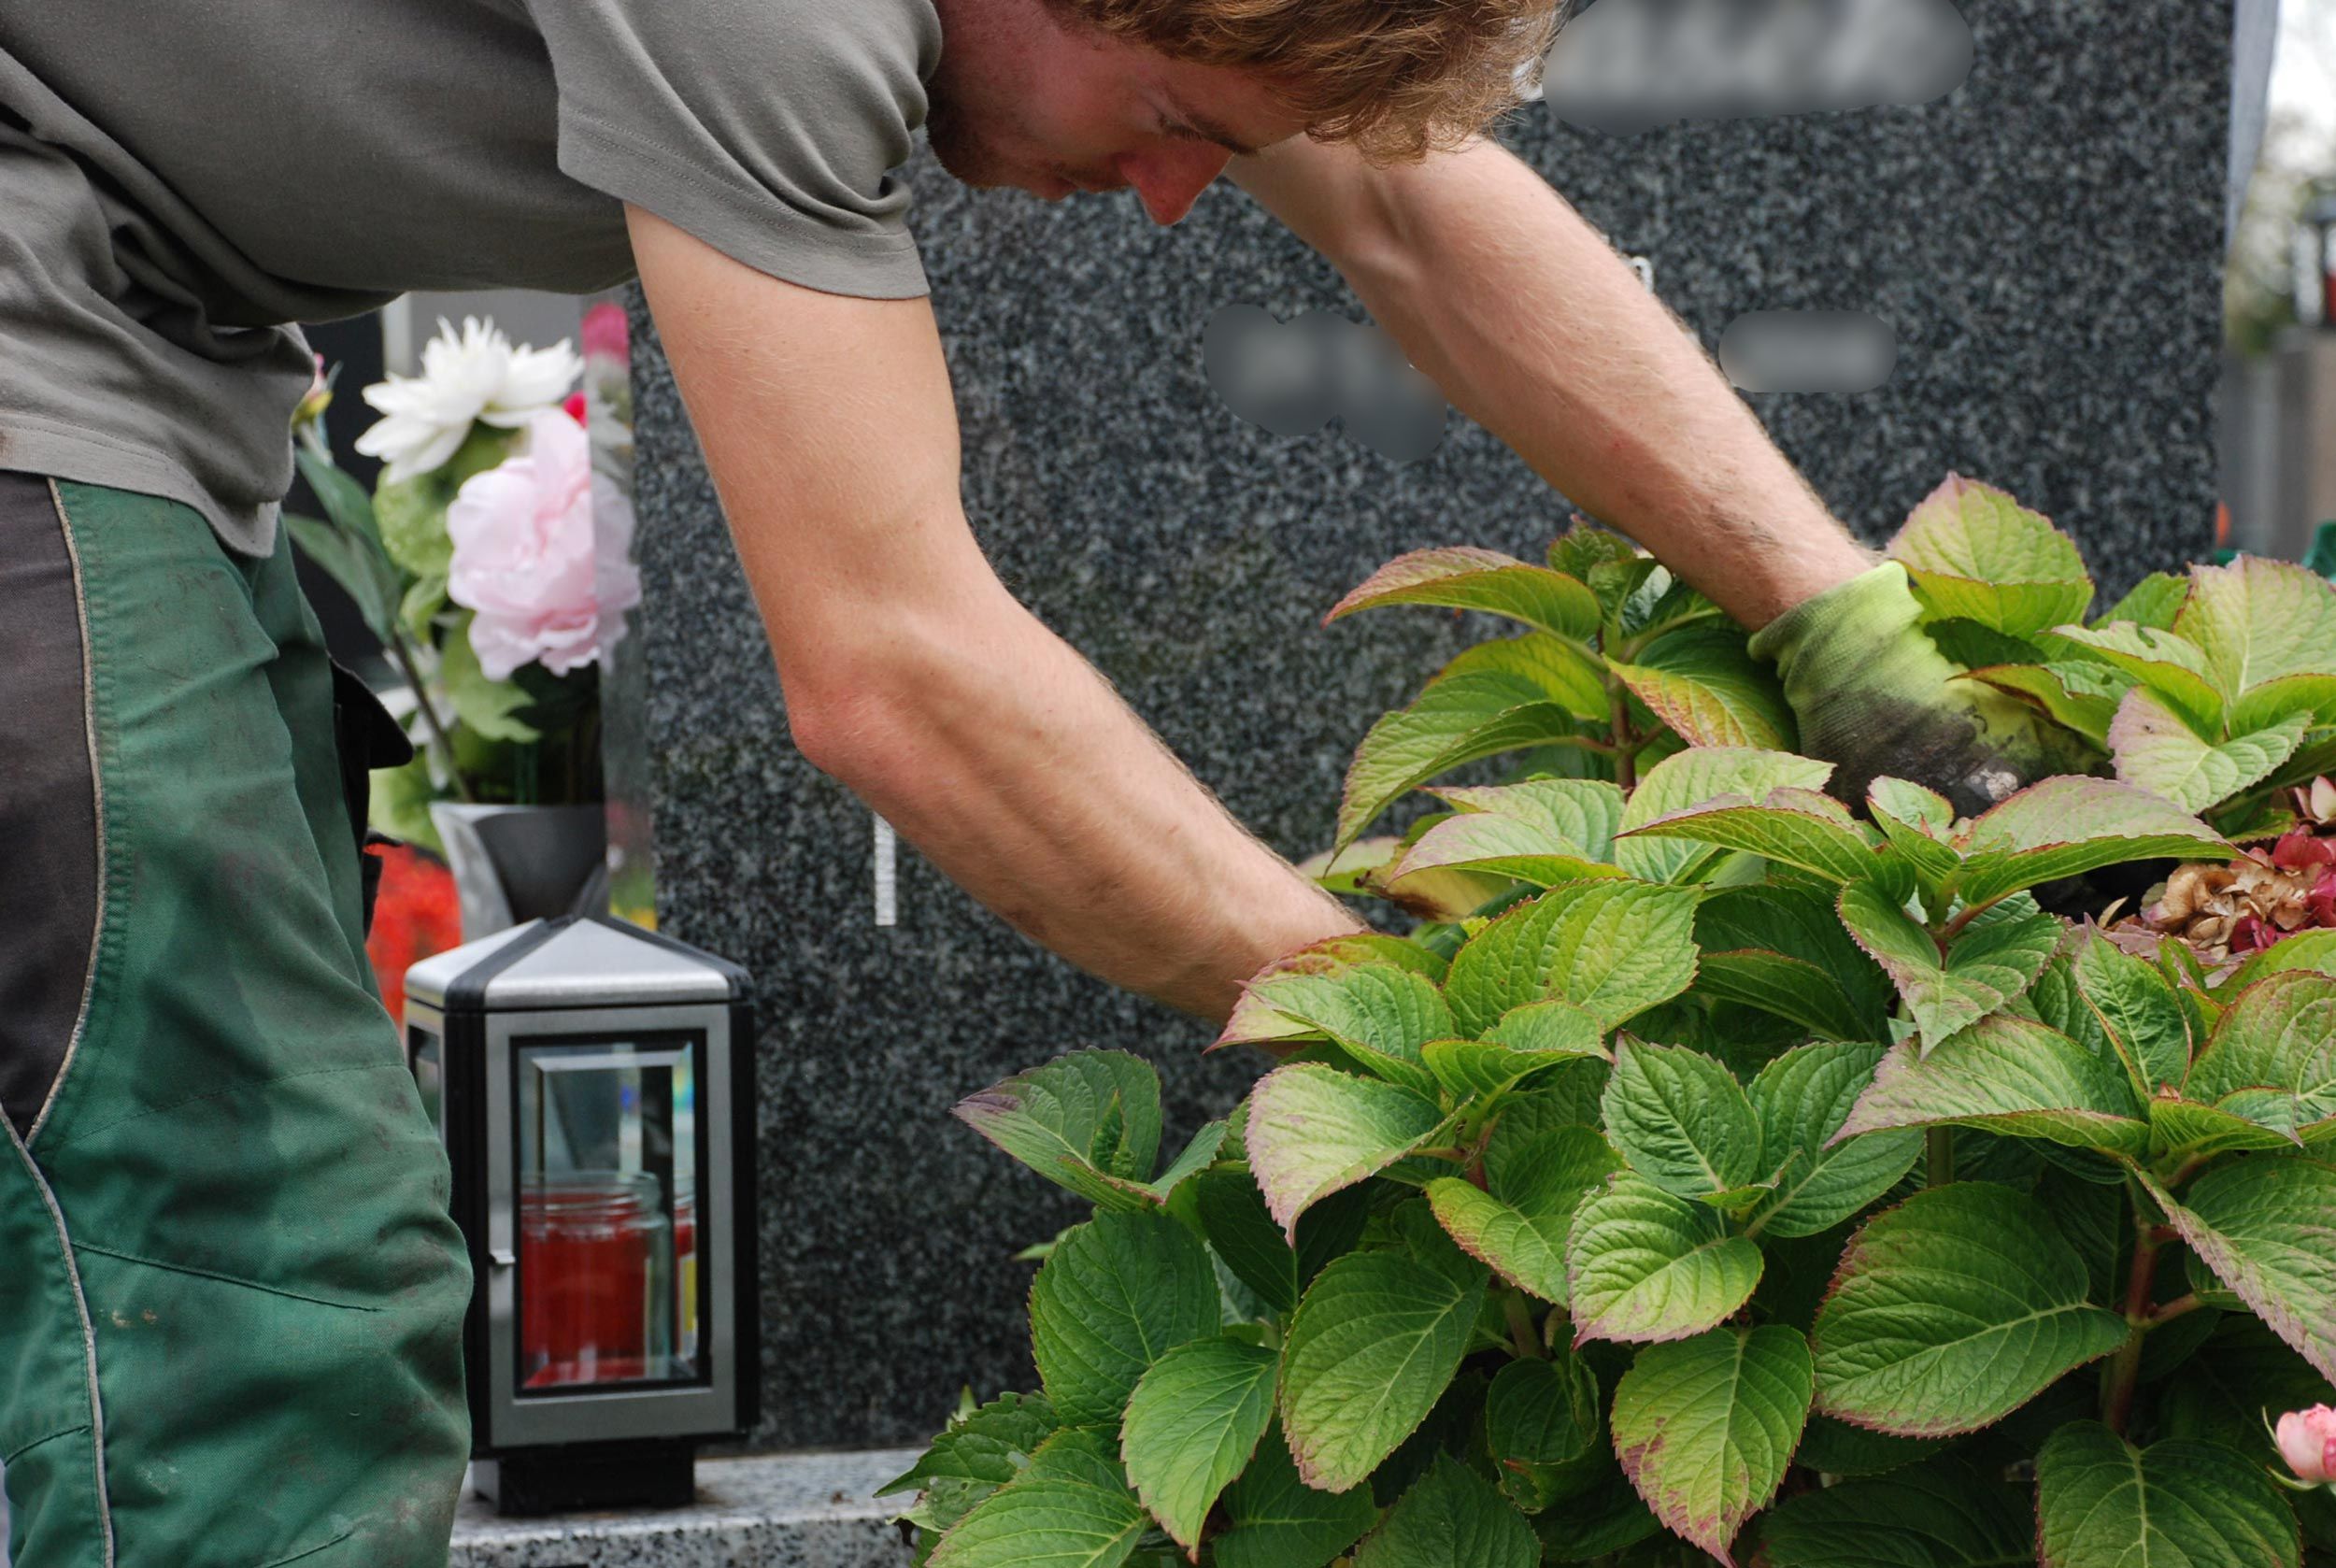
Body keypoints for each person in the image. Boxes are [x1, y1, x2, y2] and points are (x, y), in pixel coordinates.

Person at [0, 0, 2208, 1562]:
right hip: (45, 297)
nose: (1162, 199)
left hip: (153, 318)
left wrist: (1848, 632)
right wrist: (1419, 1037)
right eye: (1166, 110)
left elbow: (1421, 216)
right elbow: (892, 670)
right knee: (230, 1296)